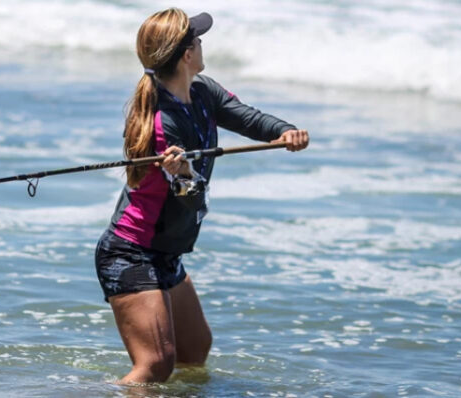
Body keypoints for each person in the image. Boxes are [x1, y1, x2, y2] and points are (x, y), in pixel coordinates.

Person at [95, 8, 309, 384]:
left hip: (166, 250)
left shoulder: (202, 90)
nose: (202, 42)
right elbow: (192, 199)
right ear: (186, 55)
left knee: (195, 351)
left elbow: (247, 117)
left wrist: (286, 131)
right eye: (197, 39)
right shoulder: (162, 123)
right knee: (156, 364)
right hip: (132, 252)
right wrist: (184, 176)